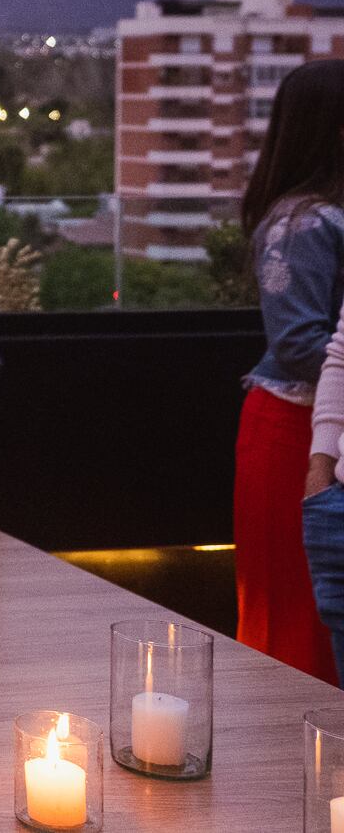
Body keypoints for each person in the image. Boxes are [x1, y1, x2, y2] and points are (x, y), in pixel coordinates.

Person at [241, 60, 344, 682]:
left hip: (317, 432)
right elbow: (301, 339)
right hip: (295, 438)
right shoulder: (302, 222)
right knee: (297, 616)